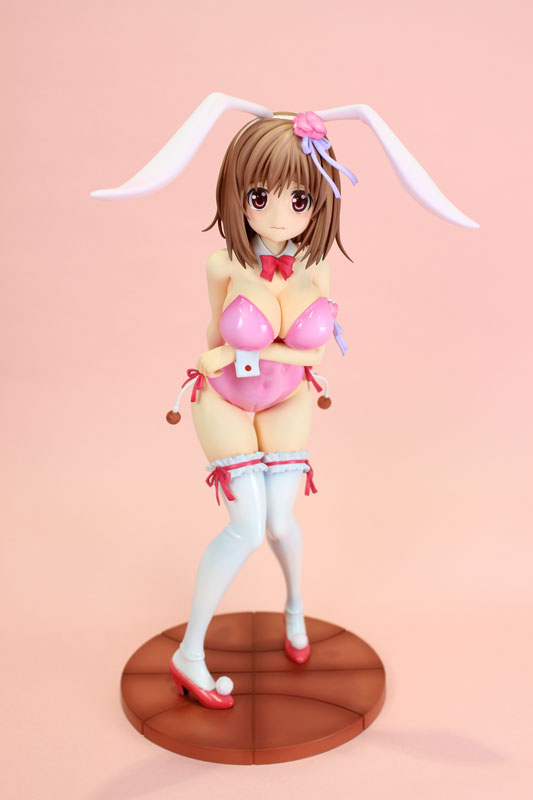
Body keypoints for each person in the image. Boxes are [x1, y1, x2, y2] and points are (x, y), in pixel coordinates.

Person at [92, 93, 478, 710]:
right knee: (246, 527)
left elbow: (315, 355)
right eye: (259, 196)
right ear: (237, 194)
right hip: (224, 399)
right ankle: (189, 654)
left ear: (319, 200)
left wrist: (257, 352)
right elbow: (213, 339)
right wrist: (218, 356)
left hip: (288, 398)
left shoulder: (315, 266)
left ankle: (294, 606)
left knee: (278, 522)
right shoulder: (222, 263)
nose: (278, 215)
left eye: (298, 200)